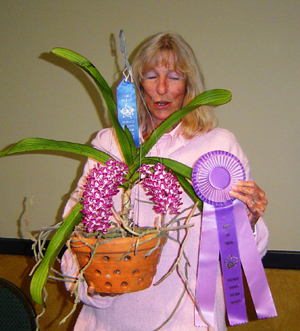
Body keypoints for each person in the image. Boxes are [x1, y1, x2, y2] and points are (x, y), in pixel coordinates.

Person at [61, 32, 268, 331]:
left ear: (188, 85)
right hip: (110, 318)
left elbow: (239, 257)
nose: (161, 88)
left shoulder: (218, 145)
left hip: (188, 319)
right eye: (150, 76)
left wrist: (247, 221)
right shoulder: (108, 144)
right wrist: (95, 288)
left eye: (173, 77)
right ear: (136, 85)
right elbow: (75, 232)